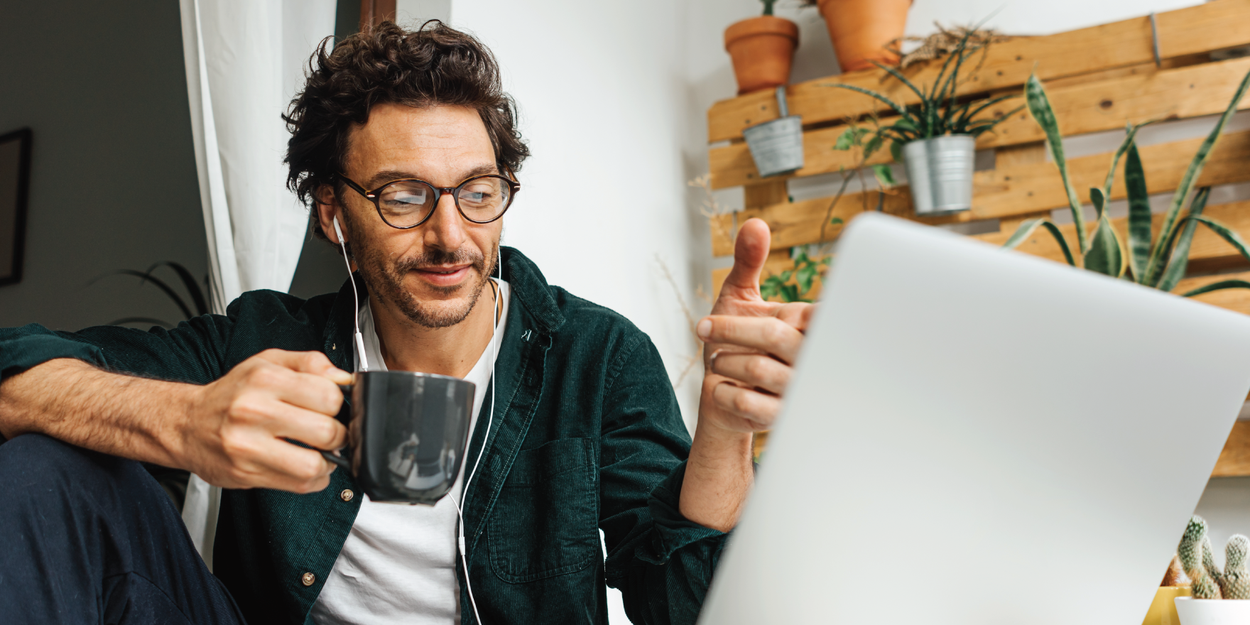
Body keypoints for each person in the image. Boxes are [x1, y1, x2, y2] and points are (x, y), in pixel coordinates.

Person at [0, 21, 811, 625]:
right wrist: (185, 420)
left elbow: (686, 605)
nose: (451, 235)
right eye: (403, 196)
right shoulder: (260, 342)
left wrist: (726, 431)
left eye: (477, 191)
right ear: (332, 213)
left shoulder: (592, 355)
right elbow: (15, 369)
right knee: (47, 468)